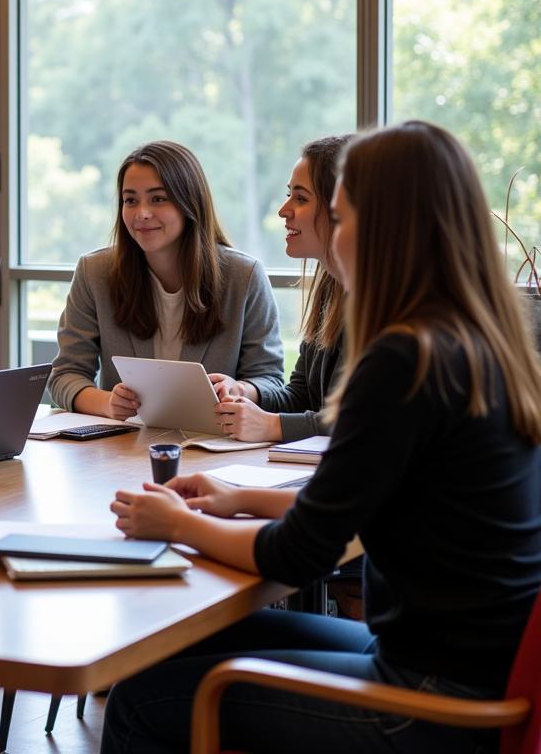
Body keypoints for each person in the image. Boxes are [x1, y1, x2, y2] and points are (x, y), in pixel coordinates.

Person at [104, 121, 541, 754]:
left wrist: (177, 523)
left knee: (140, 700)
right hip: (470, 673)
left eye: (338, 213)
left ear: (387, 225)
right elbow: (379, 506)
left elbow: (295, 557)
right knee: (178, 651)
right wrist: (236, 498)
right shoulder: (478, 343)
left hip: (429, 698)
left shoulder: (403, 360)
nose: (330, 232)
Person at [48, 140, 284, 419]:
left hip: (213, 445)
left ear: (189, 203)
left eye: (158, 199)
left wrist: (241, 390)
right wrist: (107, 402)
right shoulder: (94, 272)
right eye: (130, 200)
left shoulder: (244, 276)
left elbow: (271, 382)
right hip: (122, 447)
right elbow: (65, 375)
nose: (141, 213)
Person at [210, 134, 351, 443]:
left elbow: (365, 422)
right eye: (290, 195)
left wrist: (272, 426)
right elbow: (302, 395)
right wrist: (246, 394)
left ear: (339, 208)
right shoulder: (330, 287)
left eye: (301, 198)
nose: (284, 210)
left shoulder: (388, 306)